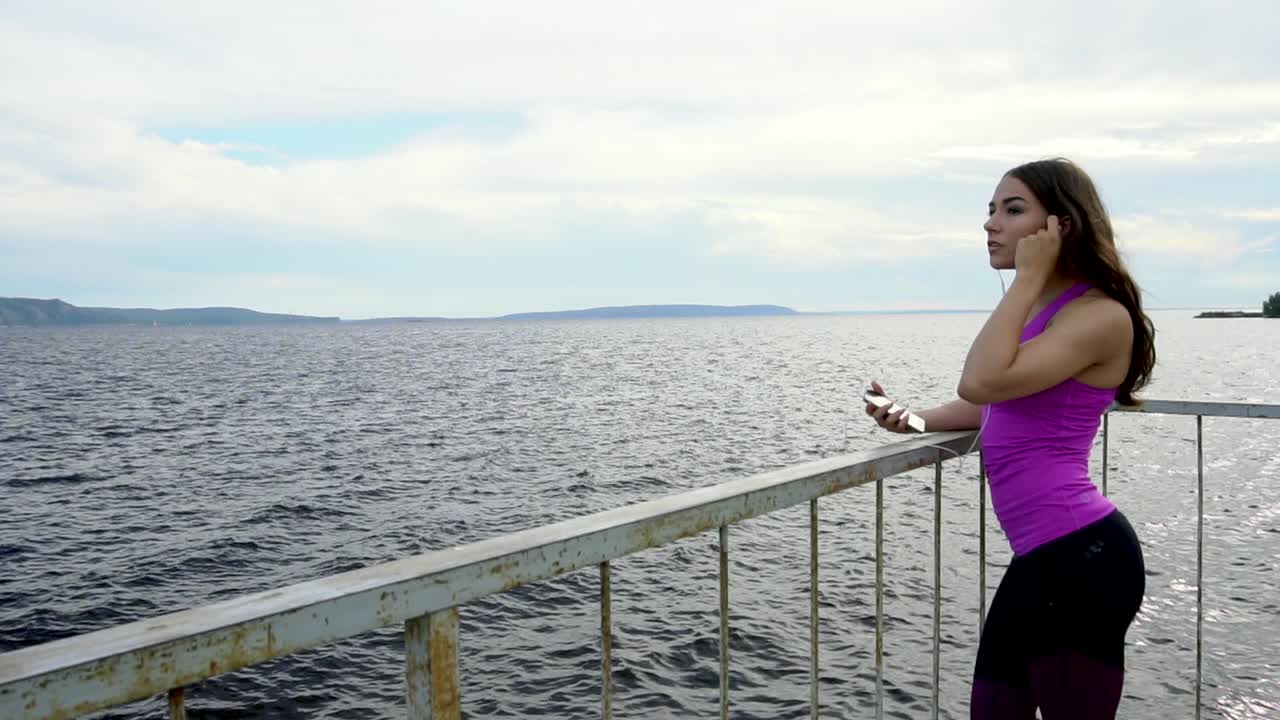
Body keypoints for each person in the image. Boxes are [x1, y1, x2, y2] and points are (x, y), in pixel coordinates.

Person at [865, 157, 1155, 719]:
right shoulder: (1045, 312)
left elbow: (980, 379)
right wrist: (915, 420)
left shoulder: (1099, 315)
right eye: (990, 211)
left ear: (1060, 226)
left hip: (1082, 557)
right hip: (1042, 559)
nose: (991, 224)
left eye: (1012, 209)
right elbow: (989, 403)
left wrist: (1025, 279)